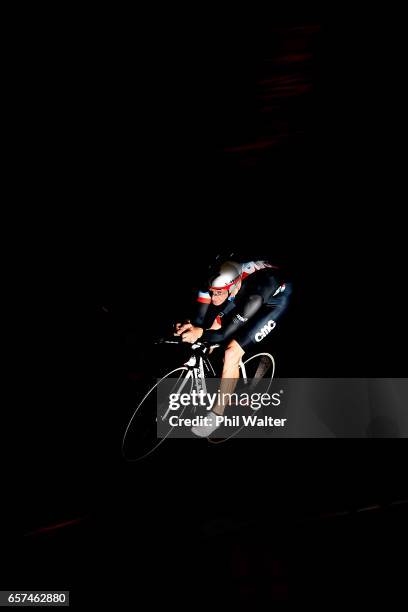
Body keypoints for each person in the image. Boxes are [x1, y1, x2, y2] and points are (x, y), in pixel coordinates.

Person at [175, 257, 292, 437]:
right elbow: (205, 320)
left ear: (233, 286)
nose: (214, 298)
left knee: (231, 352)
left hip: (275, 299)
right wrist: (193, 329)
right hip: (247, 287)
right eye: (212, 292)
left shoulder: (253, 296)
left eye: (219, 293)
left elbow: (223, 334)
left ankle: (216, 416)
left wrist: (202, 334)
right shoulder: (222, 280)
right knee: (212, 328)